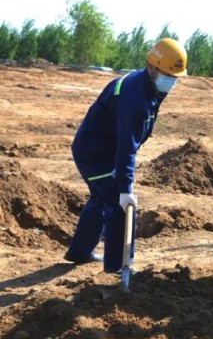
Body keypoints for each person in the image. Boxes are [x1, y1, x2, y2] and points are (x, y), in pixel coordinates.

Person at [64, 38, 188, 272]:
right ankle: (119, 267)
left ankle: (79, 251)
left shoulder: (149, 87)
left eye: (175, 77)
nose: (171, 81)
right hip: (94, 154)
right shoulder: (135, 97)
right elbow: (126, 146)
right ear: (151, 66)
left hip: (103, 149)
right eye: (167, 75)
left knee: (100, 198)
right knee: (119, 205)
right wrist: (125, 189)